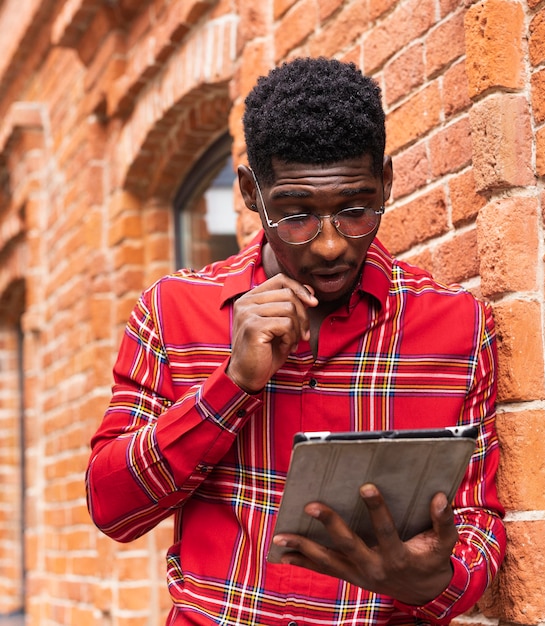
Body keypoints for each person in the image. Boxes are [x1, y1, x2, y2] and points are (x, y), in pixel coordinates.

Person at [86, 57, 506, 625]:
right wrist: (231, 386)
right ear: (251, 193)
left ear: (386, 181)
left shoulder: (457, 328)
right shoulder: (173, 311)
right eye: (297, 213)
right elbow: (112, 508)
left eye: (355, 209)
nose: (330, 245)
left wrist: (435, 580)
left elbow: (478, 523)